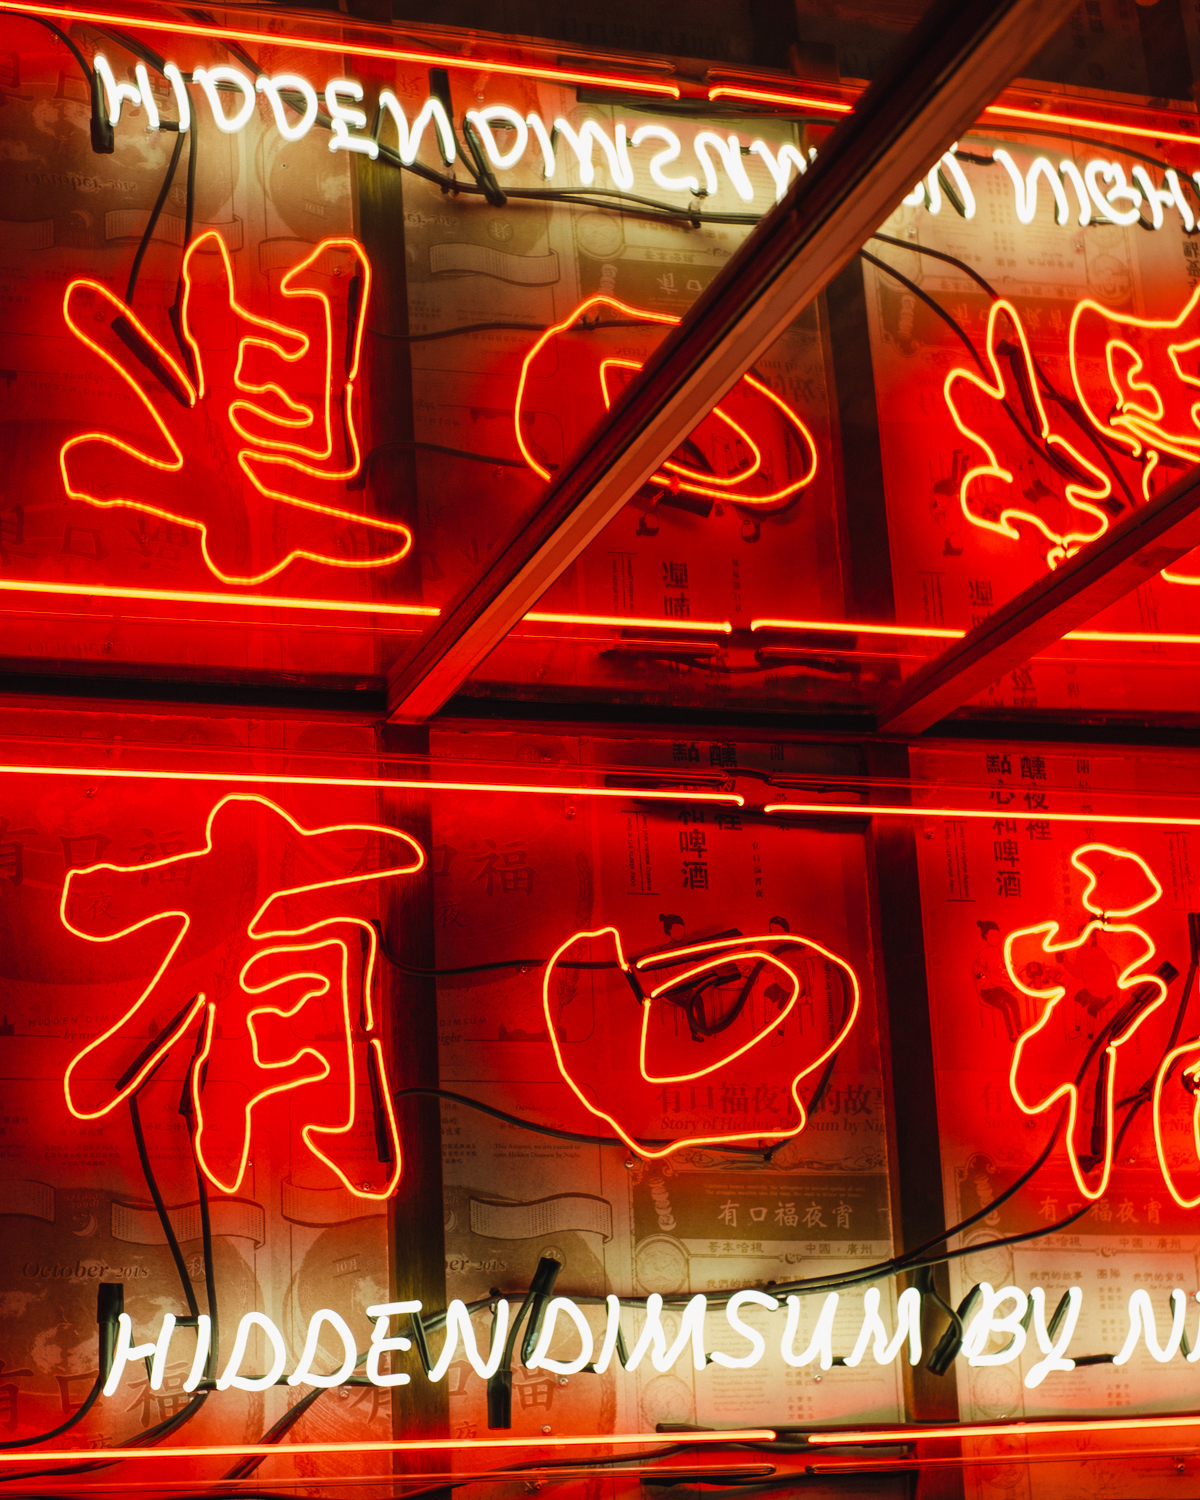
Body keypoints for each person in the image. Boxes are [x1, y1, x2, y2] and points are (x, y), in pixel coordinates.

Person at [971, 921, 1023, 1042]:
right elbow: (988, 978)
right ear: (985, 936)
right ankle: (1011, 1034)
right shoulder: (983, 955)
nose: (997, 938)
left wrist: (1011, 979)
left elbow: (999, 973)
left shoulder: (999, 952)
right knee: (1004, 1006)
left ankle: (1020, 1028)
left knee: (1013, 1001)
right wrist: (1007, 984)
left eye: (998, 935)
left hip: (997, 988)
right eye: (993, 935)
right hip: (986, 991)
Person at [1064, 929, 1116, 1039]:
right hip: (1091, 991)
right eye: (1080, 936)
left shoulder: (1099, 953)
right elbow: (1078, 974)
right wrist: (1065, 962)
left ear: (1092, 938)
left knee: (1090, 1009)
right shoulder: (1081, 952)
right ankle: (1077, 1029)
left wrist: (1115, 998)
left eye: (1085, 936)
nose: (1082, 939)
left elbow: (1111, 975)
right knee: (1078, 998)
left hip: (1104, 993)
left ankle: (1090, 1038)